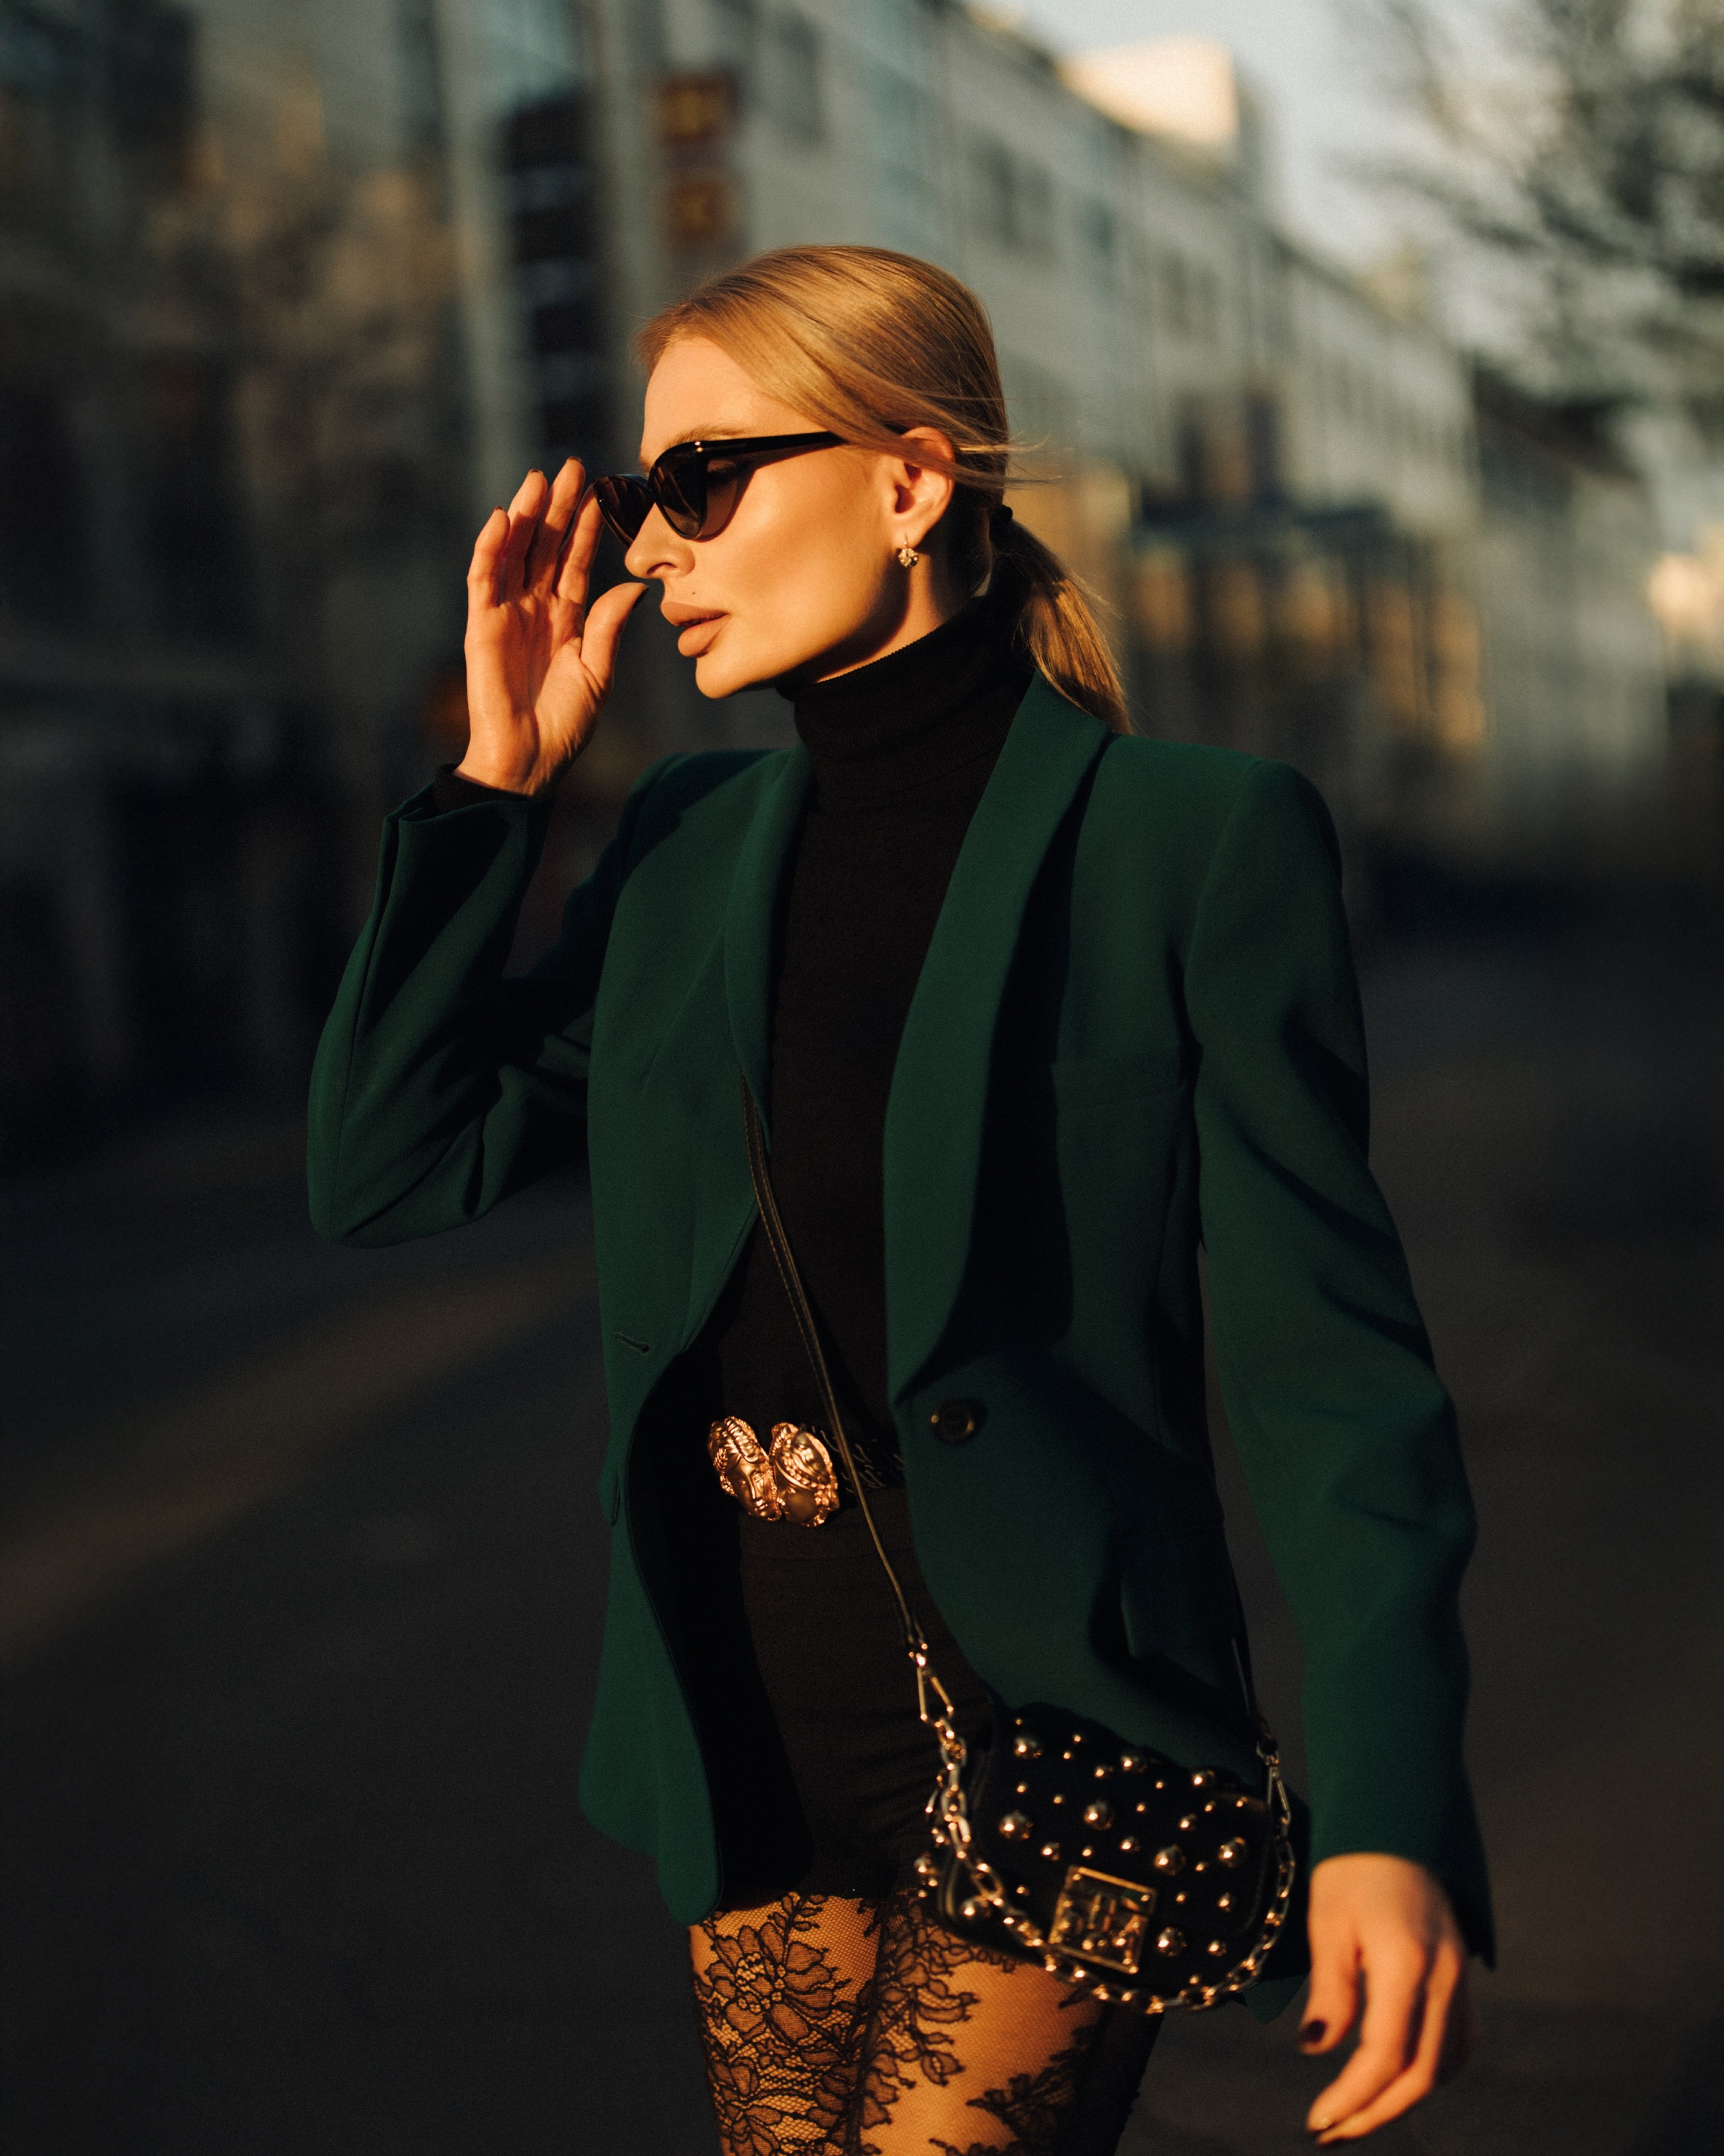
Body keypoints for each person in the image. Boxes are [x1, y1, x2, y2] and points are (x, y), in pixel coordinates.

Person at [308, 245, 1490, 2154]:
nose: (647, 550)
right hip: (755, 1734)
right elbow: (385, 1166)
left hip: (1067, 1747)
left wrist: (1386, 1808)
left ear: (912, 478)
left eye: (700, 481)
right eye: (637, 497)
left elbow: (1334, 1373)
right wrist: (492, 784)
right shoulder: (687, 851)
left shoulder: (1189, 844)